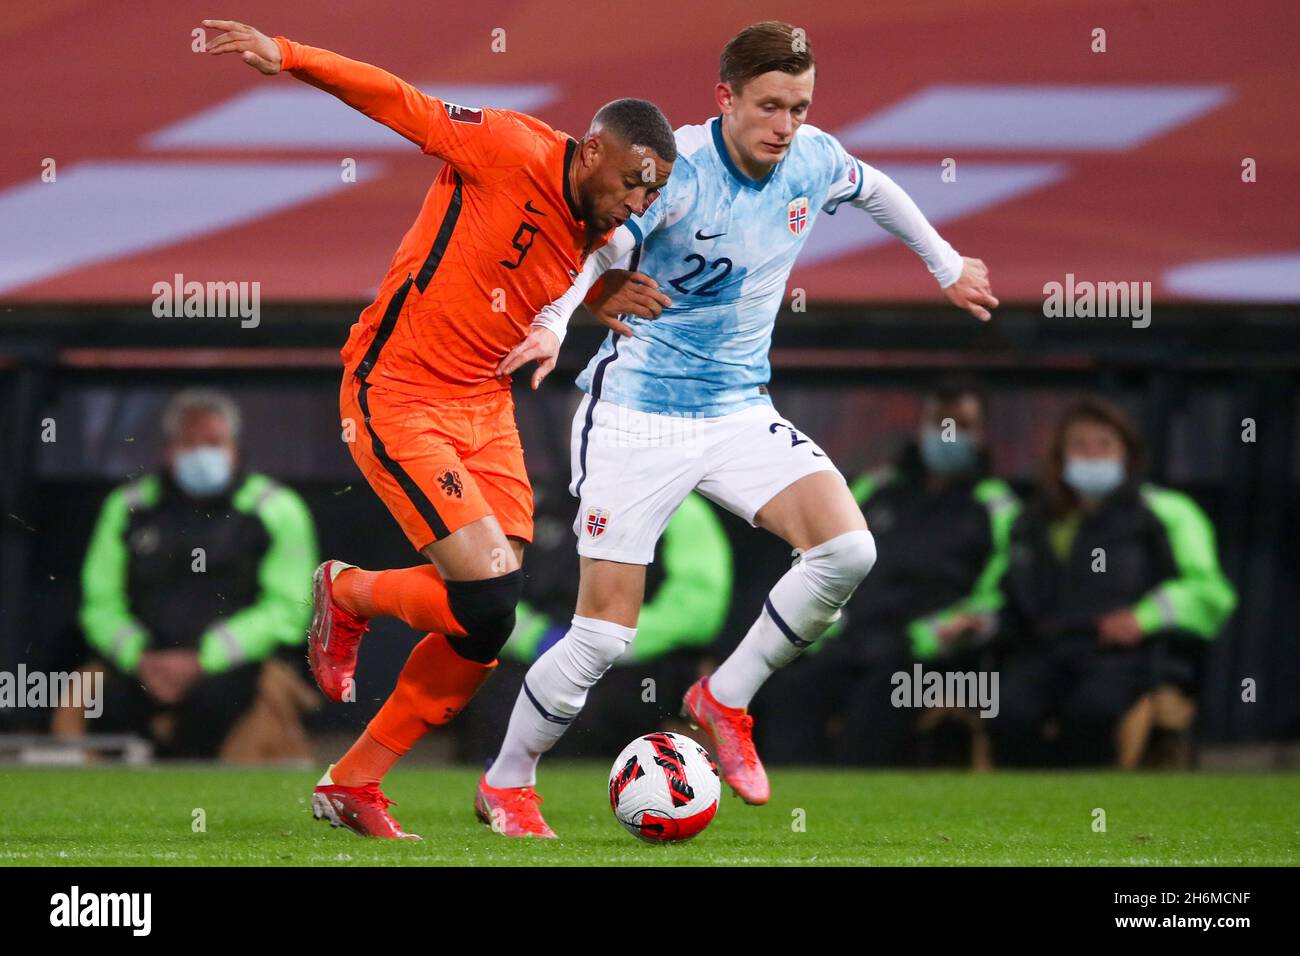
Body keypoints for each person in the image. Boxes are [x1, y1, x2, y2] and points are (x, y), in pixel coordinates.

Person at [481, 21, 997, 836]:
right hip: (636, 419)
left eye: (798, 106)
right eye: (769, 106)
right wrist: (555, 320)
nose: (785, 124)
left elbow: (875, 190)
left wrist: (944, 263)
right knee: (603, 639)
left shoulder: (813, 158)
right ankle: (508, 781)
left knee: (847, 548)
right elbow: (598, 245)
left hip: (736, 411)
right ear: (725, 98)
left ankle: (723, 696)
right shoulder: (678, 171)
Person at [202, 19, 675, 837]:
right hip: (400, 391)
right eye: (635, 180)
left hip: (484, 406)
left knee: (489, 617)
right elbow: (400, 100)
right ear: (594, 149)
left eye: (653, 191)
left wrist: (593, 303)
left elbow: (540, 273)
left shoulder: (597, 229)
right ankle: (347, 591)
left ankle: (353, 781)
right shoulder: (507, 146)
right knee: (486, 590)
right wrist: (291, 55)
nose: (640, 200)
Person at [758, 381, 1019, 765]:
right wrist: (828, 621)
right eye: (940, 422)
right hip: (855, 633)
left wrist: (941, 631)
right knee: (794, 688)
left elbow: (1001, 589)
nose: (948, 435)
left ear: (980, 435)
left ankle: (855, 807)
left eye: (961, 425)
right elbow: (823, 555)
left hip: (930, 647)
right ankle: (790, 803)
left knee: (881, 695)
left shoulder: (995, 504)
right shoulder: (877, 490)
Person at [993, 399, 1237, 765]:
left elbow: (1210, 593)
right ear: (1060, 457)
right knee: (1008, 709)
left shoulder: (1167, 511)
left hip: (1126, 656)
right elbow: (1002, 591)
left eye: (1104, 445)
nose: (1092, 455)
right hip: (1047, 651)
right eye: (1080, 446)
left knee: (1091, 713)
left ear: (1127, 454)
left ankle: (1093, 814)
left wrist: (1144, 618)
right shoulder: (1030, 521)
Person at [80, 389, 317, 757]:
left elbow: (289, 609)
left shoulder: (277, 509)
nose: (201, 454)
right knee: (97, 699)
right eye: (189, 443)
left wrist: (204, 659)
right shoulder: (127, 507)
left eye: (213, 442)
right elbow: (99, 603)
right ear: (168, 449)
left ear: (234, 447)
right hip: (140, 666)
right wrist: (138, 656)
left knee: (230, 701)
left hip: (238, 669)